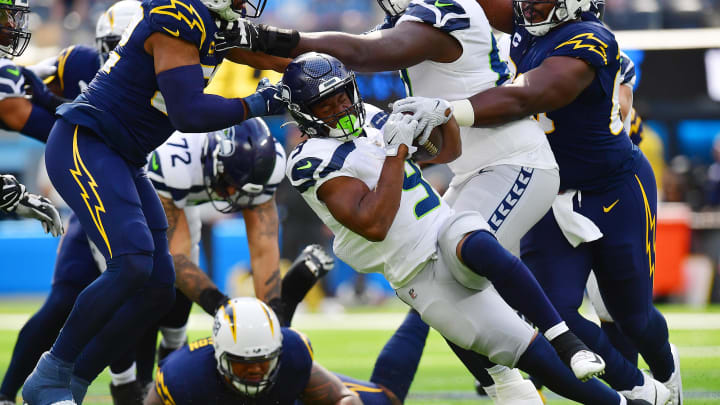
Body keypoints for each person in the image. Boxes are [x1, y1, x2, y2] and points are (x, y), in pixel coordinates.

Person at [280, 52, 650, 405]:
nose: (341, 107)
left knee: (475, 238)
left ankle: (568, 341)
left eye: (342, 95)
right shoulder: (310, 160)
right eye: (326, 105)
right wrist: (396, 154)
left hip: (442, 227)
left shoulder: (373, 118)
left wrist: (441, 118)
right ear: (304, 113)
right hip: (417, 273)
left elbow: (447, 153)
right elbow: (375, 224)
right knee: (535, 358)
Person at [397, 0, 679, 403]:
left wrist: (448, 109)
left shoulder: (591, 39)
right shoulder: (526, 24)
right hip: (550, 189)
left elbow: (527, 96)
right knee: (555, 310)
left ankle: (667, 371)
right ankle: (640, 390)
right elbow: (469, 8)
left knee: (631, 316)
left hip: (612, 189)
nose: (528, 5)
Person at [21, 0, 292, 400]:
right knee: (130, 264)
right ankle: (49, 375)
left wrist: (312, 68)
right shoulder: (179, 14)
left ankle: (74, 381)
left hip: (124, 157)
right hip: (88, 142)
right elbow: (188, 114)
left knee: (159, 286)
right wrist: (256, 103)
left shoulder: (210, 24)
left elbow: (272, 52)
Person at [145, 296, 430, 405]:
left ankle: (425, 304)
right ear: (220, 357)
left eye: (264, 360)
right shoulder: (182, 379)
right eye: (245, 363)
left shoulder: (291, 352)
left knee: (386, 401)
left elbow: (344, 399)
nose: (256, 370)